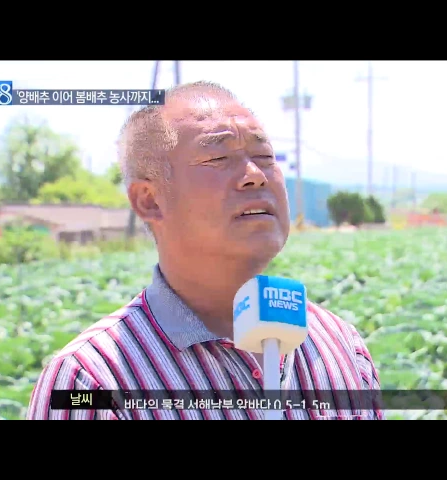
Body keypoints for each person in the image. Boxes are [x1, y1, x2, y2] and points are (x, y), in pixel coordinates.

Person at [27, 81, 383, 420]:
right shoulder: (90, 381)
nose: (255, 174)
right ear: (149, 200)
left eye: (264, 155)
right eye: (218, 157)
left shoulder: (340, 345)